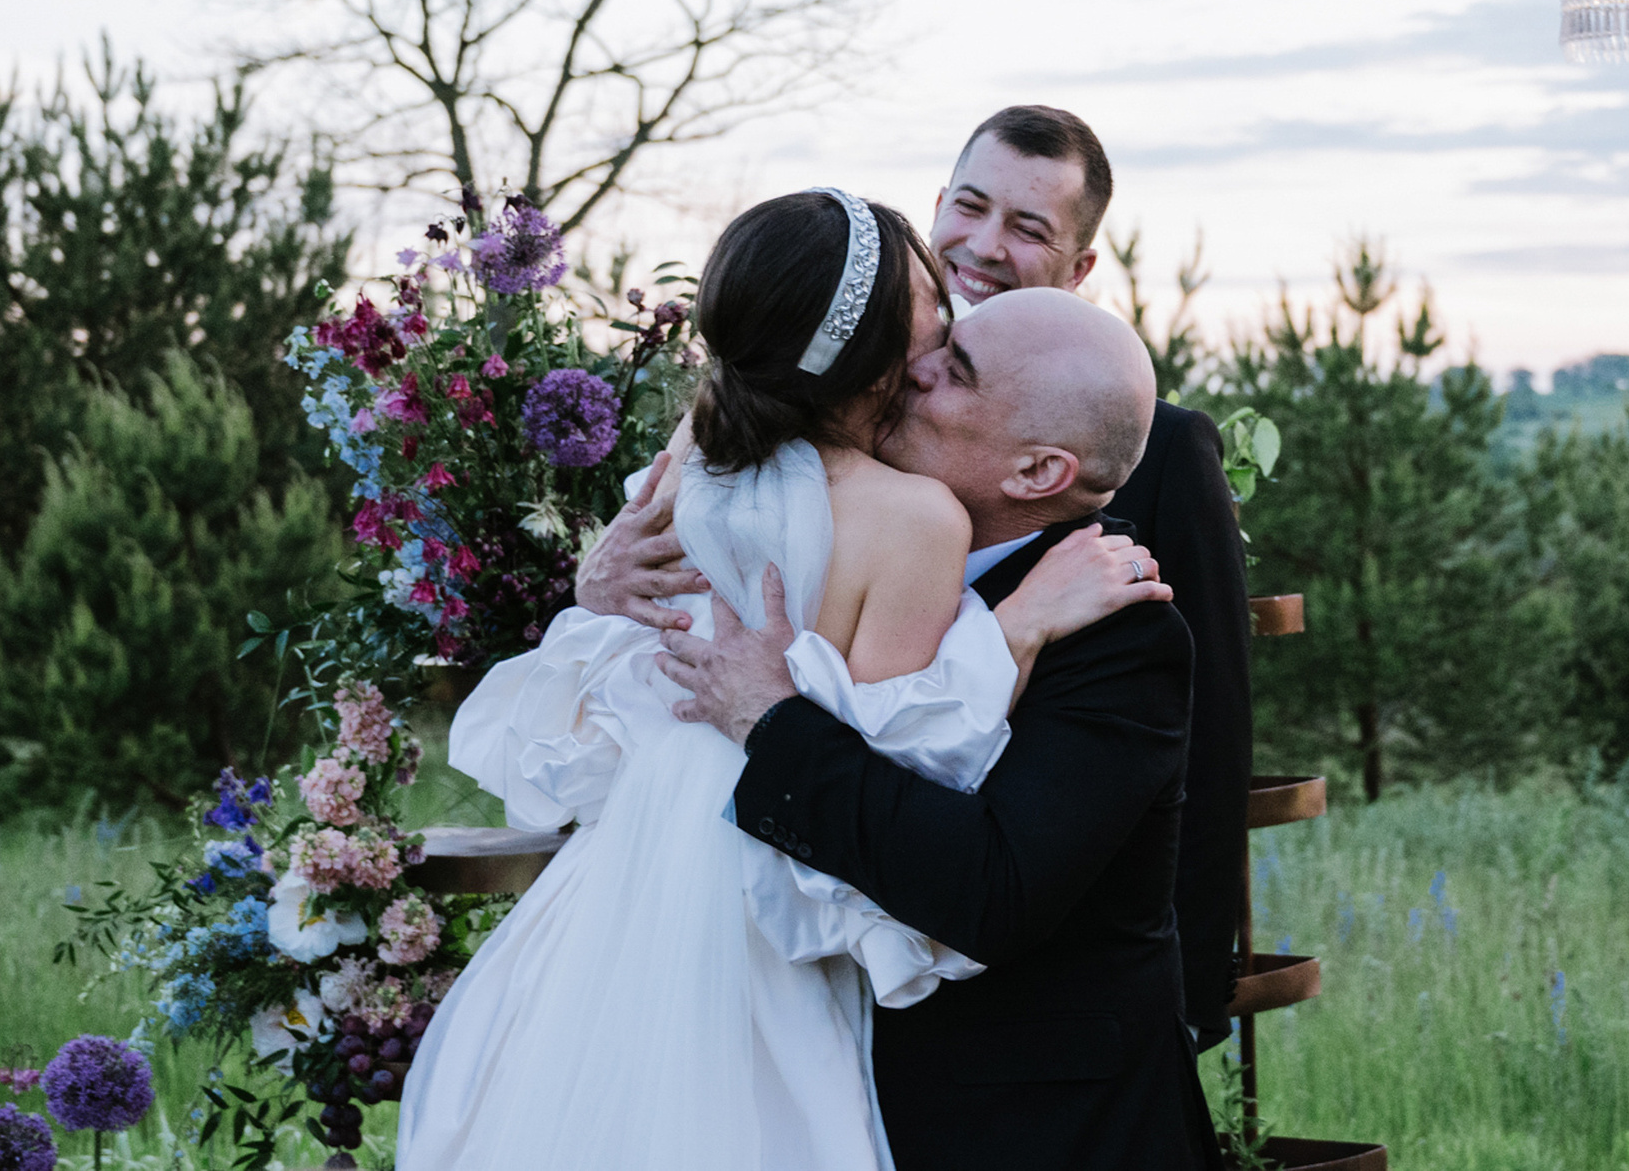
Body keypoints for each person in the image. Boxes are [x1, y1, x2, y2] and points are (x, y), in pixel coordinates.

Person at [395, 190, 1167, 1171]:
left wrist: (605, 602)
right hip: (762, 873)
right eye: (939, 321)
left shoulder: (701, 445)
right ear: (874, 354)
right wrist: (1008, 632)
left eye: (956, 360)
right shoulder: (914, 517)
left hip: (643, 845)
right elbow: (908, 749)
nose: (937, 347)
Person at [586, 105, 1255, 1048]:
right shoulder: (824, 403)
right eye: (970, 208)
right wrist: (598, 577)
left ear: (1079, 266)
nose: (983, 246)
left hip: (1014, 1000)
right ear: (938, 205)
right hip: (775, 901)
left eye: (1028, 228)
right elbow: (676, 561)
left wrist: (1193, 995)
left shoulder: (1156, 446)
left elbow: (1208, 725)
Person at [658, 286, 1225, 1171]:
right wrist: (602, 582)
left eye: (953, 371)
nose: (911, 368)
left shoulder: (1118, 634)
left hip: (1035, 1130)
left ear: (1038, 473)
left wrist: (771, 720)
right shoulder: (837, 536)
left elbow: (987, 889)